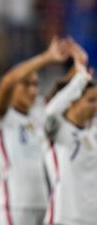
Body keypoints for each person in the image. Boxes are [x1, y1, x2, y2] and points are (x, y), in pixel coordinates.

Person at [0, 37, 70, 225]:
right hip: (10, 206)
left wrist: (78, 68)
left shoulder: (38, 113)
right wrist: (46, 58)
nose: (32, 90)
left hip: (41, 204)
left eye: (35, 84)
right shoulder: (0, 113)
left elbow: (64, 95)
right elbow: (8, 80)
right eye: (26, 84)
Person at [44, 40, 97, 225]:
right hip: (64, 218)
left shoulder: (92, 133)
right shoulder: (58, 131)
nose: (95, 106)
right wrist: (80, 79)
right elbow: (50, 112)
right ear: (74, 100)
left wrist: (83, 65)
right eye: (90, 101)